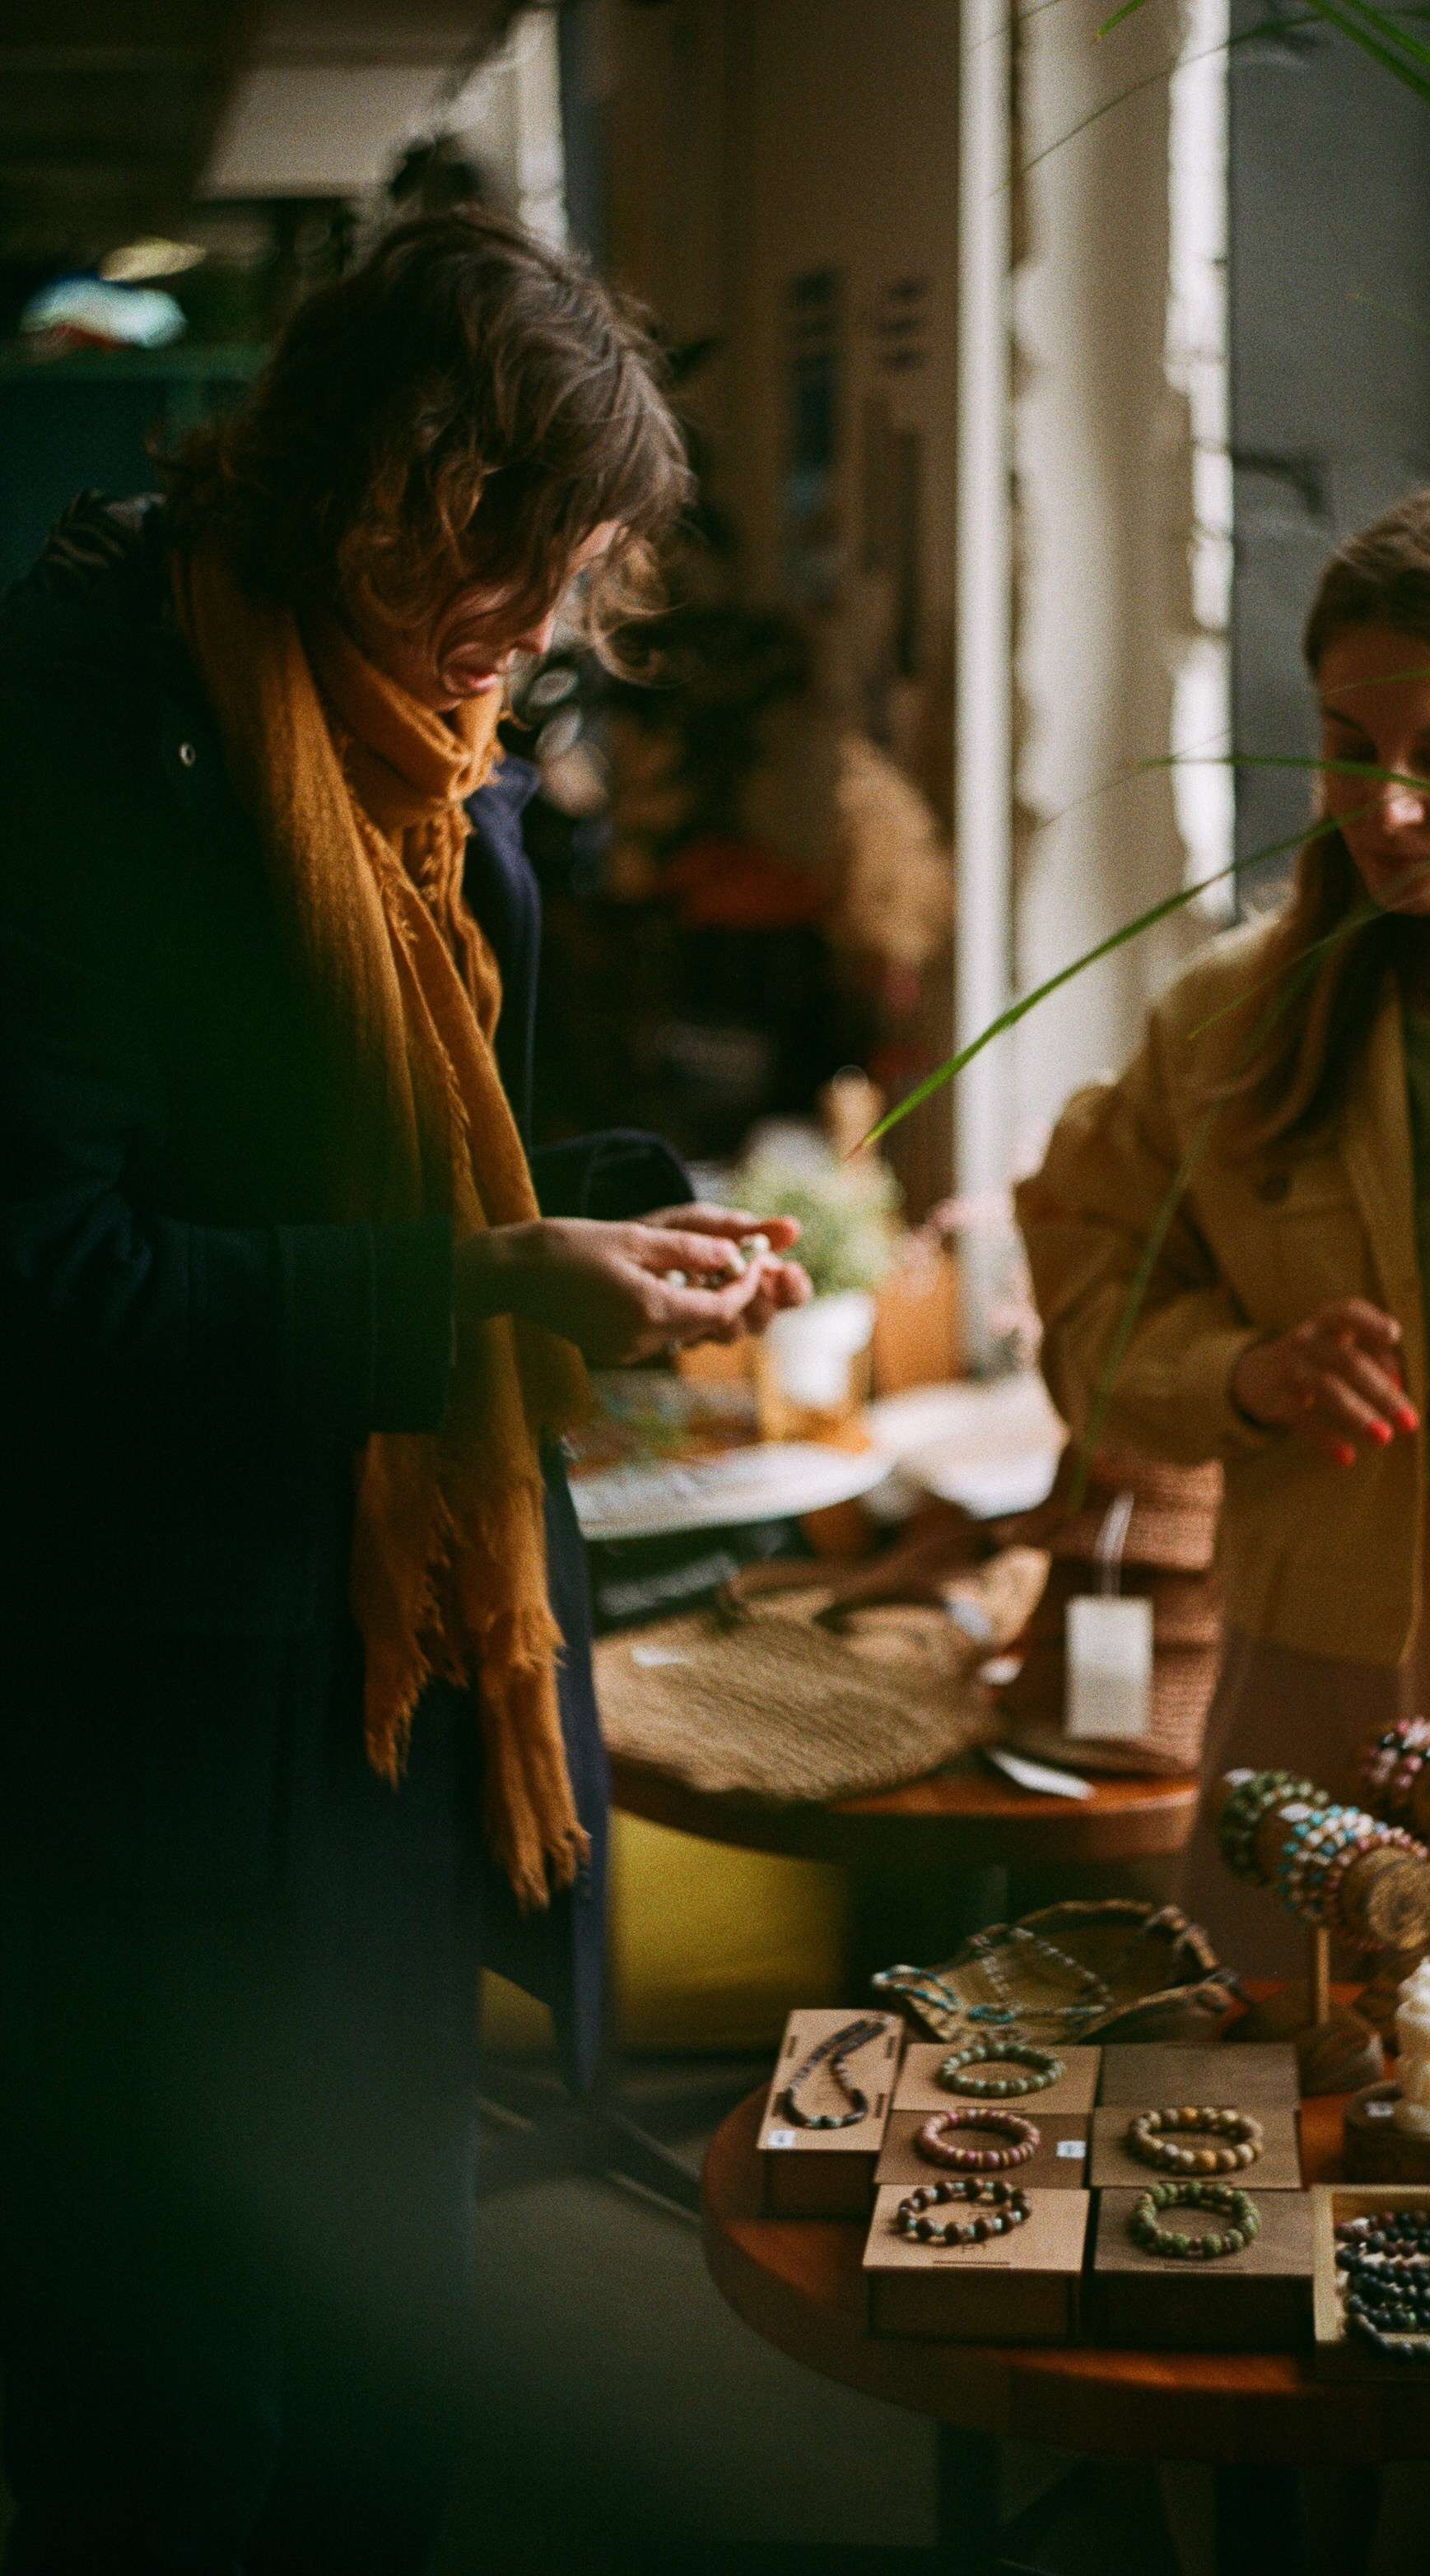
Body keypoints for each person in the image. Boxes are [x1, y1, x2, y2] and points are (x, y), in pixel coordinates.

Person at [0, 211, 808, 2574]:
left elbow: (376, 1140)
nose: (547, 632)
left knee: (374, 2427)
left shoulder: (420, 728)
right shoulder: (76, 728)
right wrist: (476, 1274)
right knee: (173, 2441)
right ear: (392, 489)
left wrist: (601, 1227)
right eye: (515, 560)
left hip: (389, 1718)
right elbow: (50, 1281)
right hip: (146, 1759)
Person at [1016, 485, 1430, 1990]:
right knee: (1266, 2073)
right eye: (1347, 747)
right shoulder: (1228, 1020)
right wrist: (1243, 1372)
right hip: (1299, 1640)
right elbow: (1090, 1303)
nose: (1383, 806)